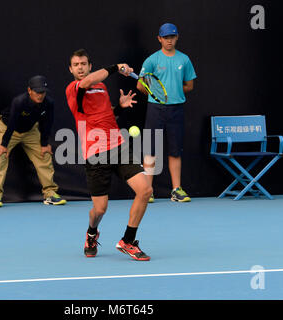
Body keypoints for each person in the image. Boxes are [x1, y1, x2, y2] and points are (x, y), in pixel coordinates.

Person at [65, 49, 153, 261]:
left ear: (89, 65)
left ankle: (128, 241)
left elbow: (104, 115)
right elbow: (86, 83)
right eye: (76, 64)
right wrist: (116, 67)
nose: (80, 67)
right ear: (71, 69)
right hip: (95, 155)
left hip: (119, 146)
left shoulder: (102, 87)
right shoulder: (73, 88)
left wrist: (120, 108)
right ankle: (92, 233)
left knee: (145, 190)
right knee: (100, 209)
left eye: (83, 64)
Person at [137, 23, 197, 203]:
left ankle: (176, 190)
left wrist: (172, 94)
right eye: (165, 37)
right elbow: (140, 85)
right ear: (159, 39)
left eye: (172, 37)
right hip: (155, 110)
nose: (169, 40)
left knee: (175, 151)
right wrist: (157, 95)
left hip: (176, 109)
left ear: (177, 37)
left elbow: (189, 85)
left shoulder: (184, 60)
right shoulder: (151, 60)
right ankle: (148, 190)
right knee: (150, 151)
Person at [0, 75, 66, 207]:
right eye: (37, 92)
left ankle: (50, 194)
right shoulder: (19, 101)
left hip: (30, 131)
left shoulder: (49, 103)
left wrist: (44, 144)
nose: (40, 95)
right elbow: (12, 123)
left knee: (44, 155)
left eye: (43, 92)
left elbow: (47, 123)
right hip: (7, 128)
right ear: (29, 90)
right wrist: (4, 145)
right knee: (0, 155)